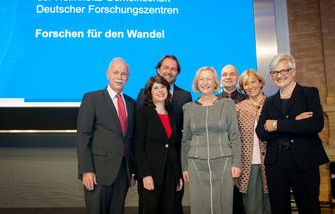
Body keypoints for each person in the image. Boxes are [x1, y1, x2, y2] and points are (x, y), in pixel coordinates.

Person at [256, 54, 329, 214]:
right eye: (274, 72)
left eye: (284, 70)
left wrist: (276, 125)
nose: (279, 75)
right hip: (276, 163)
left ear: (293, 71)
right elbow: (261, 131)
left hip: (304, 160)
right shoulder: (269, 101)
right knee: (279, 208)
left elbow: (315, 124)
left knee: (309, 207)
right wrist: (296, 123)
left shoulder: (309, 93)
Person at [76, 57, 136, 214]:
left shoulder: (132, 103)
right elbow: (83, 136)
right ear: (107, 74)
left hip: (123, 172)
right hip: (98, 172)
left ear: (128, 77)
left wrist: (133, 171)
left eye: (124, 74)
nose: (119, 76)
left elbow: (131, 140)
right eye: (116, 72)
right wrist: (86, 170)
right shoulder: (92, 98)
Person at [181, 66, 241, 214]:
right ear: (197, 82)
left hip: (224, 163)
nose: (205, 82)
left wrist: (237, 163)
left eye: (209, 79)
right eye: (202, 79)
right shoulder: (188, 108)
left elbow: (234, 135)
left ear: (215, 82)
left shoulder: (227, 104)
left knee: (223, 205)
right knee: (199, 207)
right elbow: (186, 139)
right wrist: (184, 167)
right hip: (196, 164)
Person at [137, 55, 192, 214]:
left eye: (163, 88)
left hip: (171, 172)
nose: (160, 91)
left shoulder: (173, 113)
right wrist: (145, 174)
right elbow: (139, 145)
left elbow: (177, 142)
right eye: (156, 88)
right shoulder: (143, 111)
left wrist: (178, 174)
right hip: (151, 173)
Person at [235, 69, 271, 214]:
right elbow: (235, 138)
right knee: (252, 207)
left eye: (253, 82)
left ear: (260, 82)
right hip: (248, 165)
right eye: (245, 84)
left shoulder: (273, 103)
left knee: (272, 204)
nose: (250, 87)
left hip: (272, 163)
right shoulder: (238, 108)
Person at [217, 64, 247, 214]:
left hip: (243, 156)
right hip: (219, 156)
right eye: (224, 74)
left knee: (240, 200)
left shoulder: (247, 99)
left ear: (237, 77)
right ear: (220, 79)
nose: (228, 77)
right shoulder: (213, 101)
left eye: (232, 74)